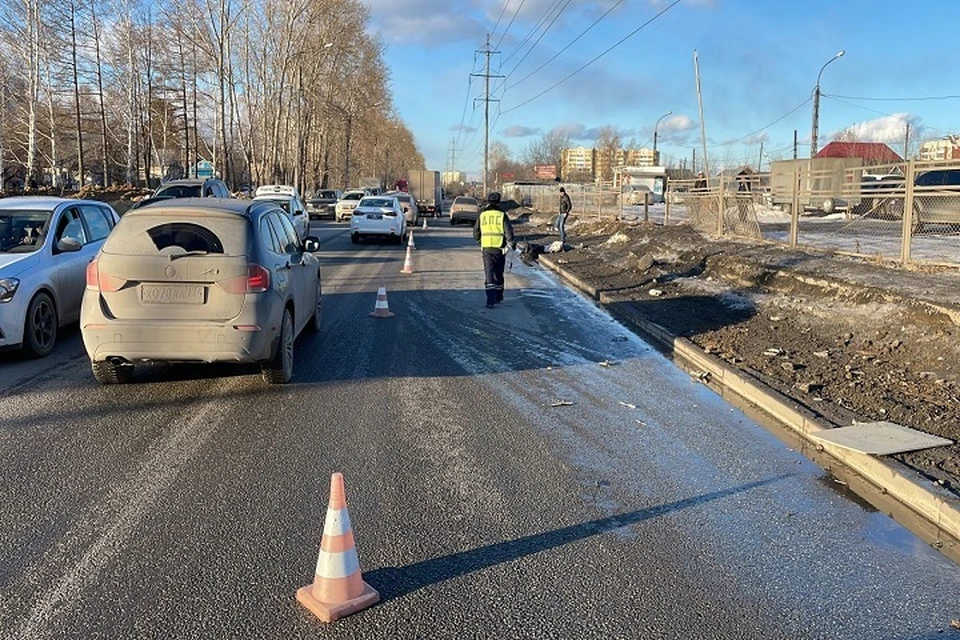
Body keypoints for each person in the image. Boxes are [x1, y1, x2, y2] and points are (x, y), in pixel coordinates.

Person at [473, 192, 515, 309]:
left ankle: (490, 301)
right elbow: (509, 232)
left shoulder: (483, 215)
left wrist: (480, 242)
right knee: (498, 273)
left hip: (486, 249)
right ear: (499, 202)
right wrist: (510, 243)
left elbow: (476, 232)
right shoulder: (502, 215)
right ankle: (498, 296)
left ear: (488, 202)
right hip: (500, 249)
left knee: (489, 274)